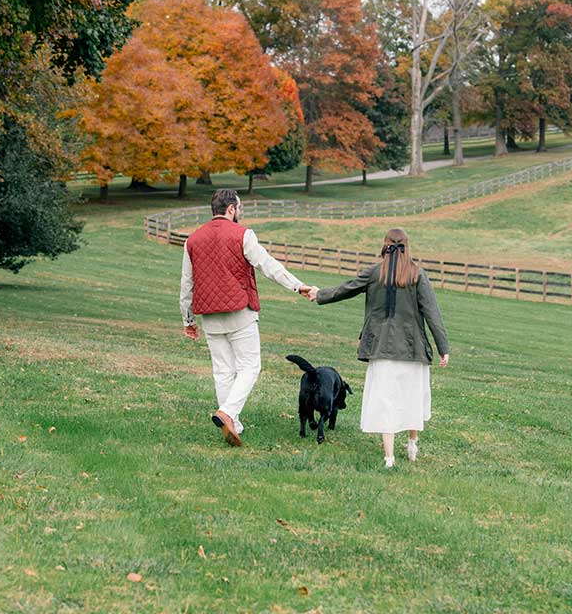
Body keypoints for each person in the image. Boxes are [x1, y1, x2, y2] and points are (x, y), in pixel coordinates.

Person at [180, 188, 316, 446]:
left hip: (209, 316)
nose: (239, 213)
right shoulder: (243, 234)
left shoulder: (192, 240)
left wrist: (188, 321)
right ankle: (228, 413)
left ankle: (234, 424)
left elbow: (186, 285)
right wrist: (298, 286)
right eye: (239, 208)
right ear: (231, 209)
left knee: (222, 371)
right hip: (239, 312)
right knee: (250, 366)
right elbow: (268, 265)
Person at [309, 228, 449, 468]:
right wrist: (443, 347)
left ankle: (389, 458)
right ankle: (412, 445)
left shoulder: (376, 272)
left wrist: (319, 294)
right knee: (411, 397)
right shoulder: (418, 274)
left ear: (386, 245)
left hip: (382, 348)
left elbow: (347, 288)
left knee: (387, 401)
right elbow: (432, 313)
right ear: (407, 246)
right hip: (411, 348)